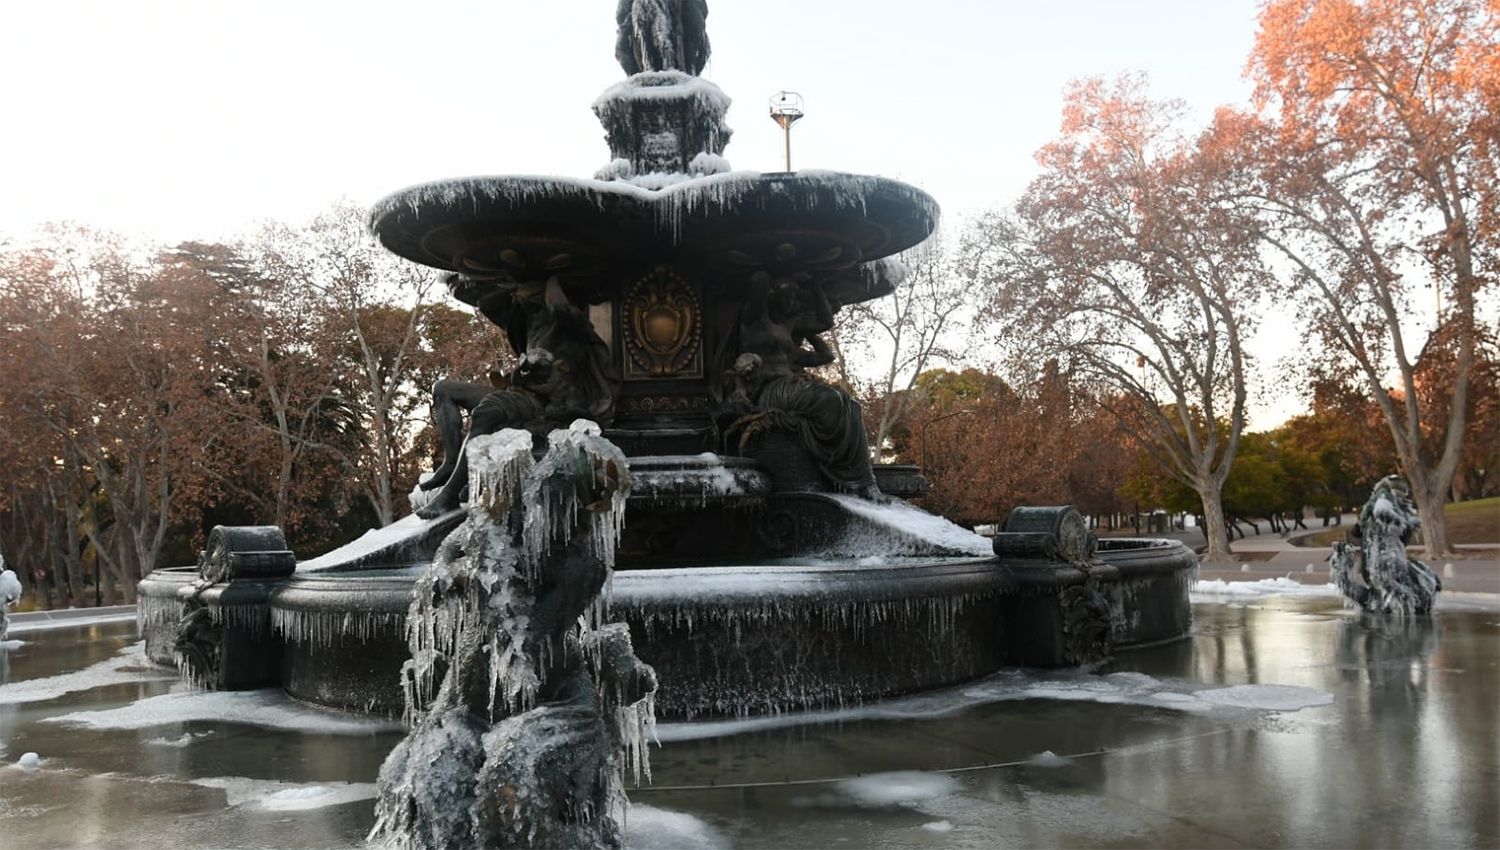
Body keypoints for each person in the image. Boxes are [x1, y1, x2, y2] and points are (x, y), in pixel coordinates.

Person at [417, 275, 618, 519]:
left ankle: (449, 495)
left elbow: (560, 307)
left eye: (525, 292)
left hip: (546, 403)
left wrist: (549, 275)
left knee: (485, 412)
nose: (518, 296)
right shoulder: (526, 319)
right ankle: (452, 462)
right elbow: (487, 304)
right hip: (521, 394)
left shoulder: (567, 323)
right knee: (443, 389)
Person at [725, 272, 881, 499]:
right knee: (829, 400)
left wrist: (817, 285)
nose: (792, 301)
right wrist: (773, 264)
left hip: (788, 387)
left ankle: (862, 482)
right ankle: (850, 478)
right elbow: (758, 280)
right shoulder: (755, 321)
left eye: (794, 297)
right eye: (787, 295)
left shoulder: (788, 330)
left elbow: (826, 326)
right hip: (768, 391)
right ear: (772, 296)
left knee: (851, 405)